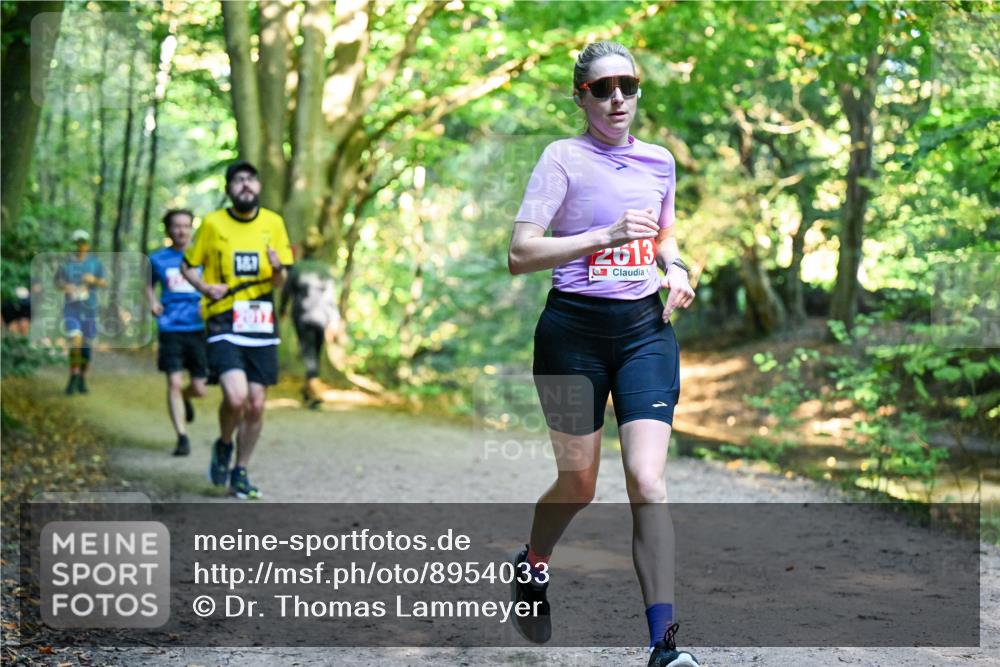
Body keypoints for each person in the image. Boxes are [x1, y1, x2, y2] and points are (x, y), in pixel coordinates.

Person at [506, 42, 699, 667]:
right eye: (602, 88)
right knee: (579, 483)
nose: (618, 98)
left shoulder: (659, 161)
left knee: (647, 480)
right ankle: (533, 564)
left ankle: (663, 645)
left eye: (628, 86)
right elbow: (520, 254)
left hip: (645, 330)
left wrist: (676, 267)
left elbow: (664, 235)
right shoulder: (561, 158)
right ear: (581, 96)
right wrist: (601, 236)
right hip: (571, 336)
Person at [181, 161, 293, 499]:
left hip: (260, 319)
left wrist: (278, 269)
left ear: (259, 187)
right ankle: (224, 443)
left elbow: (280, 280)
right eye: (238, 180)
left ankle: (240, 470)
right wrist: (205, 288)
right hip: (223, 319)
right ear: (229, 189)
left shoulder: (274, 223)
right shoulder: (213, 224)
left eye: (251, 179)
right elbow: (187, 266)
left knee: (256, 403)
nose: (245, 185)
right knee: (236, 396)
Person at [145, 209, 208, 456]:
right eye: (176, 226)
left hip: (198, 328)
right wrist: (152, 302)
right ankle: (182, 436)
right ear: (168, 229)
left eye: (186, 226)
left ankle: (186, 397)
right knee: (173, 381)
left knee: (200, 388)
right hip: (170, 327)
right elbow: (148, 285)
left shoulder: (203, 257)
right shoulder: (157, 259)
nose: (181, 231)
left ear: (192, 229)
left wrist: (208, 305)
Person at [279, 226, 340, 408]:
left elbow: (286, 292)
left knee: (309, 354)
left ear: (303, 249)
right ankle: (312, 391)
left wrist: (282, 311)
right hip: (321, 317)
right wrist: (334, 318)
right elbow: (331, 297)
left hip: (303, 316)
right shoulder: (324, 270)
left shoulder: (297, 269)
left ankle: (311, 391)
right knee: (313, 353)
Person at [56, 229, 107, 395]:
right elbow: (57, 282)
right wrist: (66, 286)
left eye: (83, 242)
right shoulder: (66, 263)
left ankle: (82, 377)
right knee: (75, 342)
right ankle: (73, 375)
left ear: (87, 244)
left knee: (86, 347)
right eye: (77, 242)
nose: (80, 245)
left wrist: (93, 280)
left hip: (90, 308)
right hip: (71, 308)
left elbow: (104, 282)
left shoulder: (95, 263)